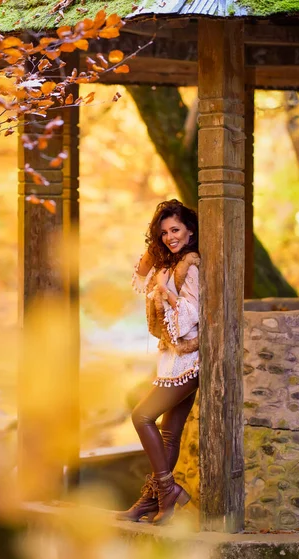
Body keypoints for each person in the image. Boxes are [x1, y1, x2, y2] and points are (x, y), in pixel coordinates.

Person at [116, 199, 199, 525]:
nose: (169, 236)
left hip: (190, 359)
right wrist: (156, 251)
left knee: (142, 416)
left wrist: (167, 292)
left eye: (175, 229)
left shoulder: (191, 266)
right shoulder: (168, 265)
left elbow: (191, 316)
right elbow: (139, 279)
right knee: (169, 434)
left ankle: (168, 491)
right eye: (163, 232)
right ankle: (151, 503)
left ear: (190, 232)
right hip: (172, 358)